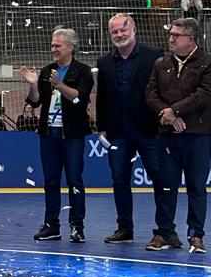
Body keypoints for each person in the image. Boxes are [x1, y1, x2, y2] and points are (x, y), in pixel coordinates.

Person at [96, 13, 168, 246]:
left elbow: (162, 92)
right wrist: (102, 127)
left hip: (149, 130)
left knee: (160, 179)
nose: (119, 34)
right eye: (114, 32)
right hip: (118, 132)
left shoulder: (154, 56)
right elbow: (103, 98)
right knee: (119, 180)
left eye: (122, 30)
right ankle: (124, 228)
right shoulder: (104, 62)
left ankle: (165, 230)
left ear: (134, 29)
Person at [20, 28, 94, 243]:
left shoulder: (83, 71)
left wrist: (59, 85)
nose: (53, 49)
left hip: (72, 135)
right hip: (48, 133)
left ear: (70, 47)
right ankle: (51, 225)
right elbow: (35, 101)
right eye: (52, 45)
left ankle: (77, 226)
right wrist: (34, 84)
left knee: (74, 181)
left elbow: (80, 99)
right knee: (51, 181)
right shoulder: (46, 71)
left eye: (57, 46)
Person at [146, 17, 211, 254]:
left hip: (199, 135)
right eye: (171, 34)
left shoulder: (208, 62)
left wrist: (176, 110)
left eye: (176, 35)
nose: (170, 38)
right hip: (167, 135)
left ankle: (196, 236)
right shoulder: (161, 63)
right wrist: (168, 115)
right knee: (165, 185)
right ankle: (164, 233)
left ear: (191, 39)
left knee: (196, 186)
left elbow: (204, 94)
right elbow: (151, 93)